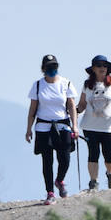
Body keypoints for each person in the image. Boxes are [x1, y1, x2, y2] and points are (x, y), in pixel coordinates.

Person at [24, 54, 79, 205]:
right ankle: (50, 192)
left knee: (65, 158)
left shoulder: (66, 84)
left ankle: (59, 180)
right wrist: (29, 129)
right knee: (46, 161)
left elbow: (71, 106)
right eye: (49, 67)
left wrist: (75, 126)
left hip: (62, 125)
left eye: (54, 67)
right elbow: (32, 109)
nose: (52, 70)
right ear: (43, 69)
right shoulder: (37, 85)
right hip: (43, 126)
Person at [76, 55, 111, 191]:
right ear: (93, 69)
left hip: (109, 126)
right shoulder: (87, 85)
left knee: (109, 154)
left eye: (105, 66)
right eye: (99, 65)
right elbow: (82, 104)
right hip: (90, 125)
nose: (102, 68)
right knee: (93, 153)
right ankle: (93, 182)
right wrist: (73, 111)